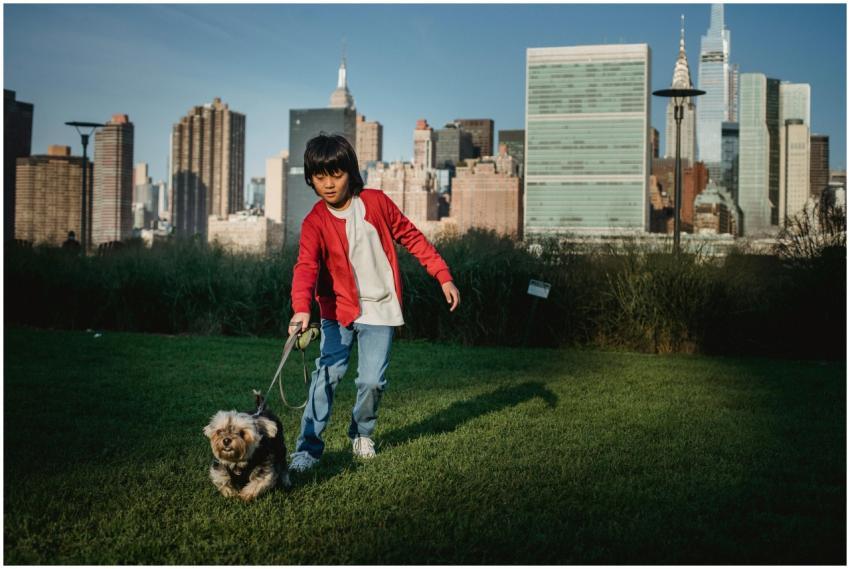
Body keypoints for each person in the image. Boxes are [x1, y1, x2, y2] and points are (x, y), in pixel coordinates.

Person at [288, 133, 460, 472]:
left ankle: (361, 433)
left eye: (335, 175)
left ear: (350, 172)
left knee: (372, 381)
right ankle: (308, 449)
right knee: (326, 377)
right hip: (337, 311)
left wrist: (442, 274)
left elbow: (412, 236)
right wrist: (301, 307)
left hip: (380, 308)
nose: (328, 184)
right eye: (320, 177)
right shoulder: (314, 222)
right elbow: (306, 266)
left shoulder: (377, 203)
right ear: (311, 179)